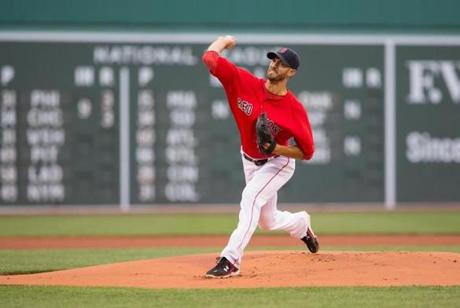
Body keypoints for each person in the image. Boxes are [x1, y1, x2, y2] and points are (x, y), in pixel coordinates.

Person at [202, 35, 319, 278]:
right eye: (273, 59)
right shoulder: (242, 82)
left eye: (281, 62)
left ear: (291, 73)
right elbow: (210, 58)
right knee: (267, 221)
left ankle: (230, 259)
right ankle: (300, 224)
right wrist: (223, 41)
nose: (274, 64)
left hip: (278, 163)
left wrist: (276, 148)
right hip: (249, 159)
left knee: (250, 197)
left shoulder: (294, 108)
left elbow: (307, 152)